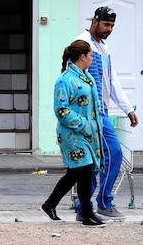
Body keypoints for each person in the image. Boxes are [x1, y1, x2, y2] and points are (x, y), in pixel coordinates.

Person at [75, 6, 139, 220]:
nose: (109, 29)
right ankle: (102, 203)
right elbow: (72, 78)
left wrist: (127, 108)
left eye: (112, 25)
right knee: (112, 153)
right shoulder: (82, 44)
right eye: (106, 24)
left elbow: (112, 82)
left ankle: (85, 207)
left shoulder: (103, 48)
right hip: (88, 113)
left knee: (96, 161)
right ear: (94, 21)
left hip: (100, 111)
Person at [41, 39, 105, 227]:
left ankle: (50, 204)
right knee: (84, 170)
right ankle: (87, 214)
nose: (92, 58)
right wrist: (84, 124)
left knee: (75, 173)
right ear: (82, 57)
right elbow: (61, 110)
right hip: (72, 134)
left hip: (88, 134)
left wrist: (96, 127)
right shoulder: (64, 80)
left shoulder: (87, 77)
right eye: (91, 55)